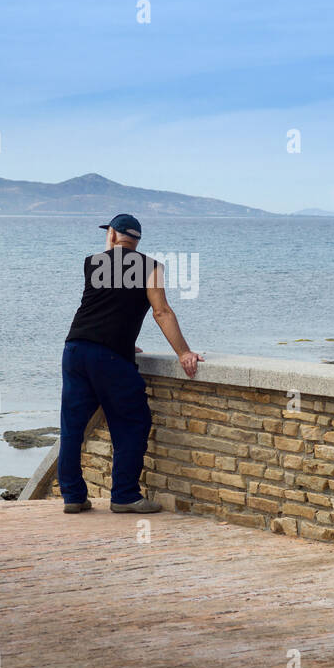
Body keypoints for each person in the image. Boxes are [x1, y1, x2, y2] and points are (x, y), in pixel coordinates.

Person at [58, 214, 202, 514]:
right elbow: (161, 312)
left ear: (112, 234)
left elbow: (105, 303)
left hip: (75, 349)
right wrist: (184, 352)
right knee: (133, 423)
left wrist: (121, 338)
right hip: (109, 357)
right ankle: (124, 495)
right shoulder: (150, 267)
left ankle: (72, 496)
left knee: (73, 426)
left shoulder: (93, 262)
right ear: (136, 239)